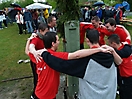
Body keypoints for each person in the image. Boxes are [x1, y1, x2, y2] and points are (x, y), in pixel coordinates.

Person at [27, 30, 120, 99]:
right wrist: (99, 49)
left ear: (87, 40)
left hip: (39, 93)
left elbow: (28, 51)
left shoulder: (39, 55)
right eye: (58, 40)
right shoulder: (111, 54)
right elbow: (74, 55)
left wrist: (32, 44)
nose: (59, 42)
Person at [25, 22, 48, 99]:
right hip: (36, 62)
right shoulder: (36, 38)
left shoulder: (43, 38)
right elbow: (31, 47)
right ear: (41, 31)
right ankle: (34, 94)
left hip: (41, 61)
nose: (47, 34)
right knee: (37, 78)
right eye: (46, 32)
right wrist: (34, 52)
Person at [107, 34, 132, 99]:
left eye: (110, 44)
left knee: (126, 94)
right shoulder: (126, 46)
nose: (109, 46)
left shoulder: (120, 53)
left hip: (127, 77)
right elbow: (128, 37)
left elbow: (119, 62)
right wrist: (123, 28)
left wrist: (112, 52)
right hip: (128, 75)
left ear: (114, 44)